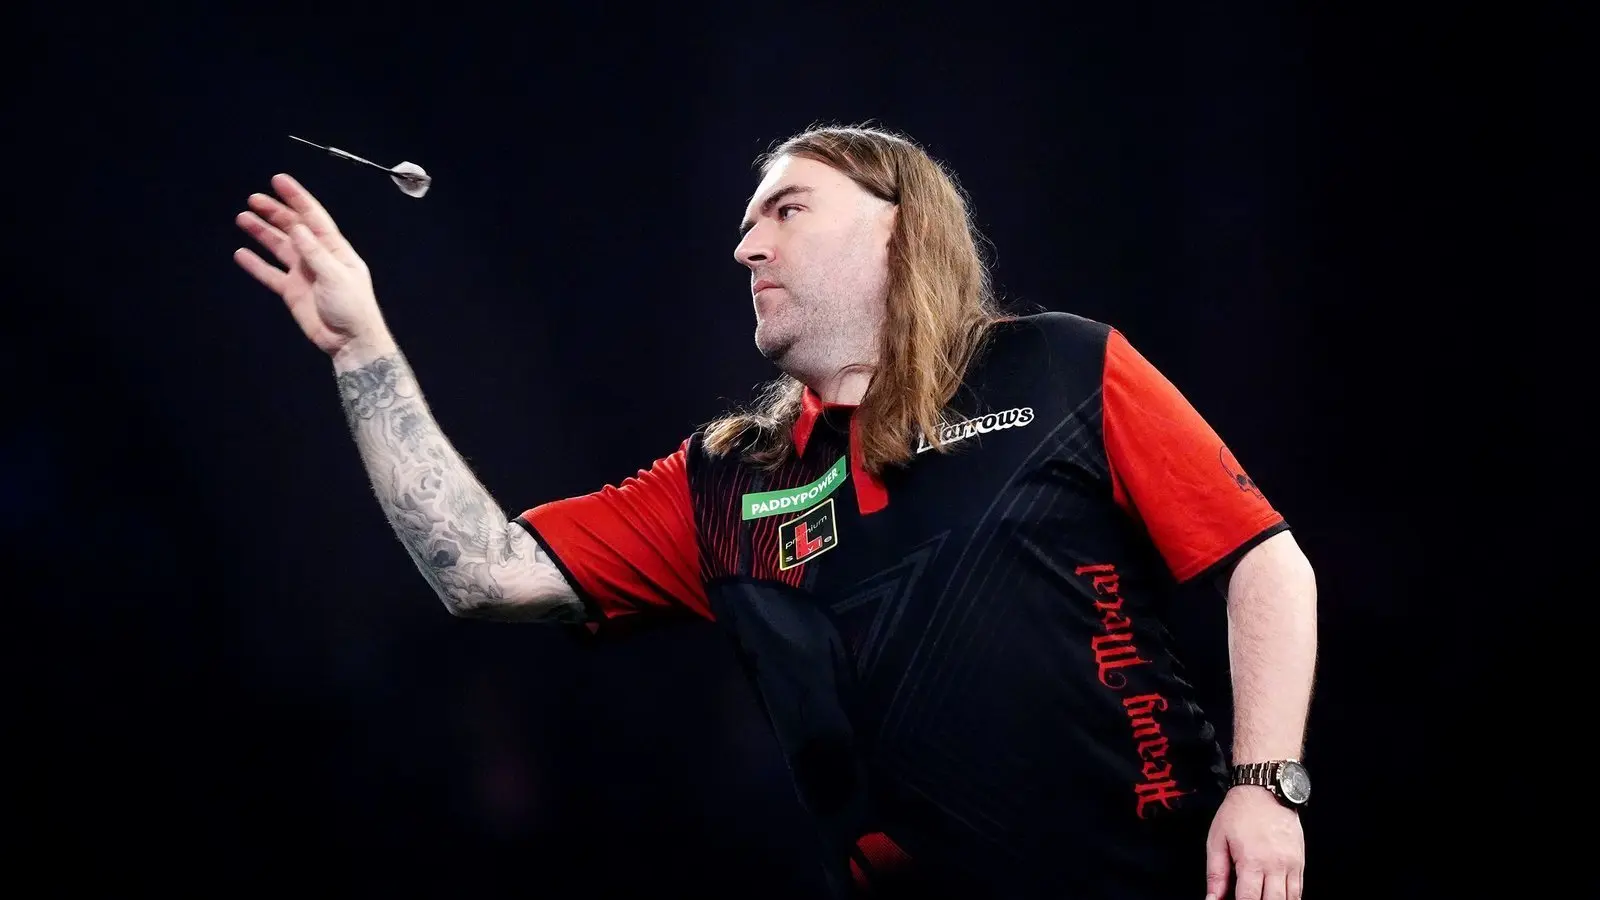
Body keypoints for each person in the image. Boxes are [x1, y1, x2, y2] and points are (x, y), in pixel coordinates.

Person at [234, 124, 1317, 900]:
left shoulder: (1062, 364)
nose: (746, 247)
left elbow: (1264, 564)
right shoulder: (727, 481)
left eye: (786, 211)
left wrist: (1265, 787)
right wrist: (361, 350)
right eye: (748, 224)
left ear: (900, 230)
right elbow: (481, 570)